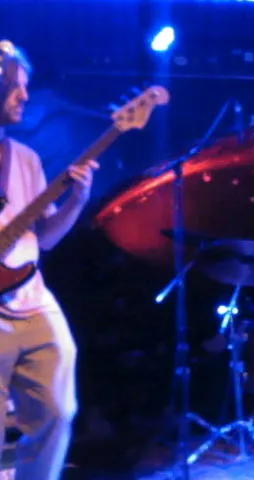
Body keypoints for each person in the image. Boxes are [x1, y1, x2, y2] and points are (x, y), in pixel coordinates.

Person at [0, 41, 99, 479]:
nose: (25, 96)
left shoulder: (26, 159)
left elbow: (48, 239)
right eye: (15, 86)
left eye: (27, 86)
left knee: (59, 410)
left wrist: (77, 200)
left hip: (31, 297)